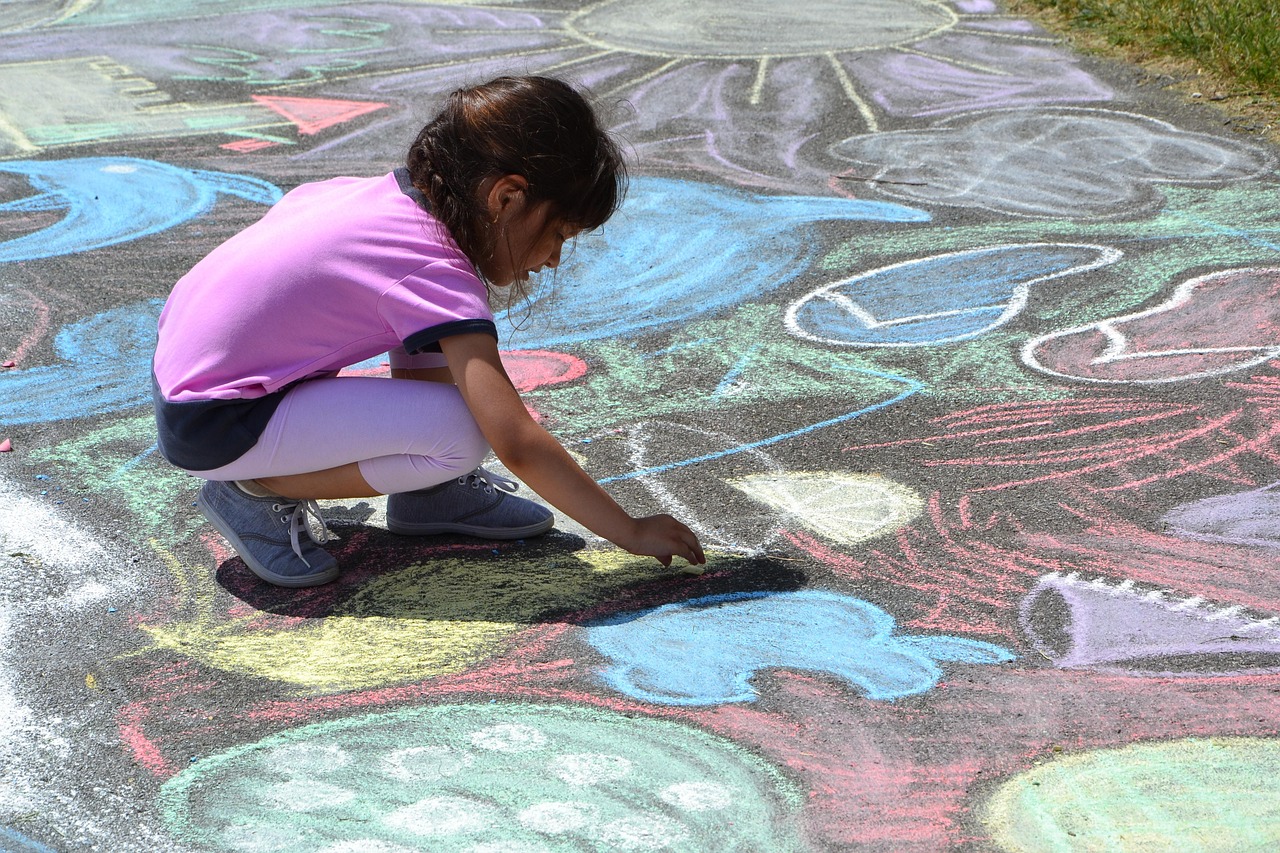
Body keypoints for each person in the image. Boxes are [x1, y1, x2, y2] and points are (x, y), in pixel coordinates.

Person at [152, 75, 706, 588]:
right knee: (463, 434)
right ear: (508, 197)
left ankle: (430, 495)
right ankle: (252, 492)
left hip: (194, 384)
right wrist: (628, 530)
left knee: (433, 352)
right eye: (558, 232)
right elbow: (514, 439)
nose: (555, 258)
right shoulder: (433, 270)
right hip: (218, 422)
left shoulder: (385, 203)